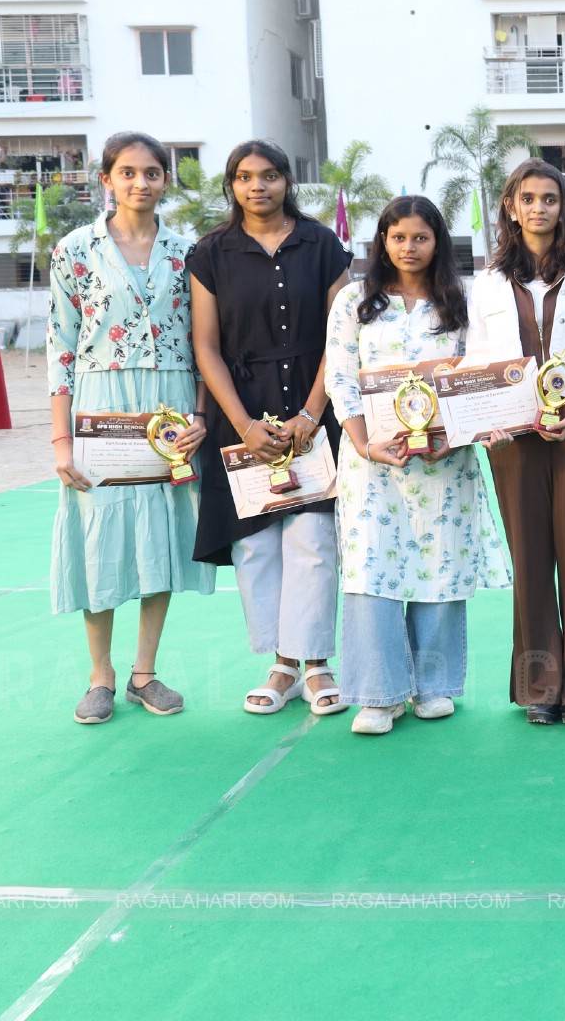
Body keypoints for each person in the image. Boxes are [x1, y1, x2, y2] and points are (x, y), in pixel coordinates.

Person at [324, 197, 510, 736]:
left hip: (444, 462)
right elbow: (340, 376)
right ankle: (378, 695)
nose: (408, 247)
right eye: (398, 236)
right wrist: (363, 444)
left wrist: (452, 437)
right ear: (382, 240)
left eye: (420, 237)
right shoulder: (355, 302)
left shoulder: (461, 302)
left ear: (438, 242)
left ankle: (433, 686)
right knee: (371, 568)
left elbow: (476, 376)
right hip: (372, 461)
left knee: (440, 564)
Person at [48, 132, 214, 723]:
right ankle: (101, 676)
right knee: (100, 537)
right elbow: (60, 349)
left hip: (168, 406)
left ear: (165, 180)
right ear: (106, 179)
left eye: (151, 172)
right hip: (101, 403)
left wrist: (199, 415)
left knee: (161, 535)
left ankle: (145, 673)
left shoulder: (189, 253)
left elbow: (202, 344)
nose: (140, 182)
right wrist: (61, 438)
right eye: (127, 172)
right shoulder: (74, 250)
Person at [188, 140, 351, 717]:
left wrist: (312, 413)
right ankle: (281, 664)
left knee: (313, 541)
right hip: (243, 412)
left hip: (315, 405)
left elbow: (342, 335)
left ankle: (317, 664)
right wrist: (241, 424)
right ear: (231, 186)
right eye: (244, 177)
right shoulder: (210, 253)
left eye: (270, 175)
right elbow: (205, 347)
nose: (258, 186)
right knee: (257, 547)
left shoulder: (322, 245)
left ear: (287, 181)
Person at [468, 160, 565, 725]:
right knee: (530, 560)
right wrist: (481, 416)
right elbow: (476, 362)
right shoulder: (485, 284)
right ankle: (539, 684)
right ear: (510, 206)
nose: (539, 208)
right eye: (528, 198)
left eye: (550, 199)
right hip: (513, 442)